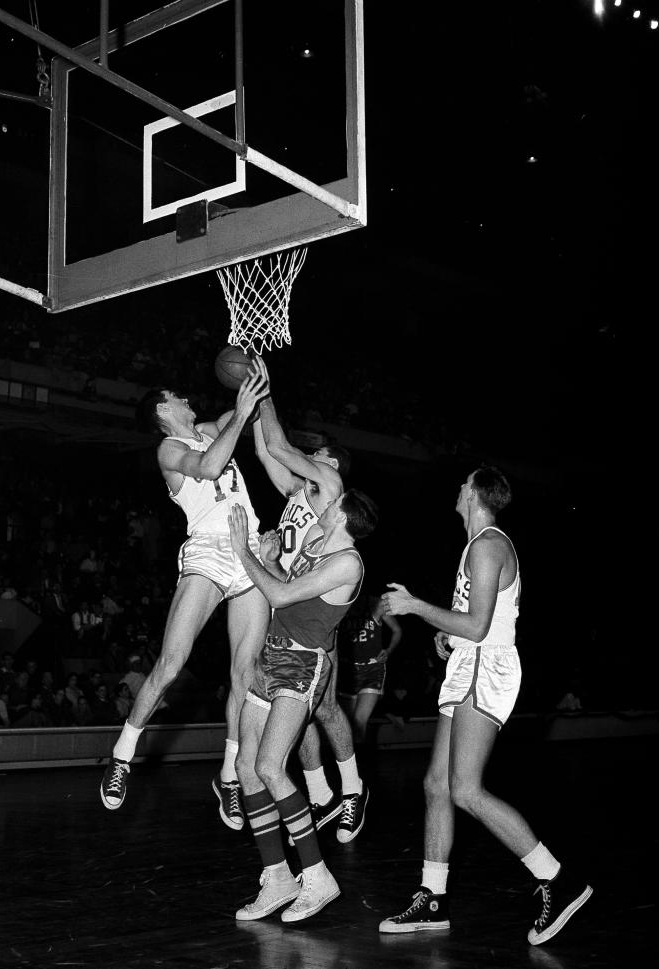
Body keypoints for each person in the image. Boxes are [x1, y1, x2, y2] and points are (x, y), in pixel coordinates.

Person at [377, 467, 591, 945]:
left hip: (485, 668)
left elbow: (477, 628)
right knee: (437, 783)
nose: (455, 488)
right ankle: (432, 898)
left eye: (461, 484)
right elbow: (472, 624)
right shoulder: (476, 545)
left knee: (465, 791)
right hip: (469, 663)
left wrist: (415, 607)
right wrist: (443, 633)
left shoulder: (489, 544)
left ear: (473, 493)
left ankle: (556, 877)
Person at [99, 365, 270, 827]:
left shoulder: (212, 427)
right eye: (177, 395)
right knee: (170, 666)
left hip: (249, 550)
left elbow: (248, 416)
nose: (188, 398)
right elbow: (211, 465)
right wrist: (241, 413)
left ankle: (229, 777)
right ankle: (122, 757)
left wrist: (255, 380)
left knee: (246, 674)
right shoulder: (170, 447)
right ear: (162, 410)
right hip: (209, 552)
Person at [228, 489, 377, 923]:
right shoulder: (314, 537)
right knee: (246, 767)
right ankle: (277, 877)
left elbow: (276, 596)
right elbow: (286, 587)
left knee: (271, 767)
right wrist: (271, 558)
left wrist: (244, 551)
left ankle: (317, 876)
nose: (325, 506)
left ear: (344, 518)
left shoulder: (348, 563)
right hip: (272, 656)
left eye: (334, 505)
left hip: (301, 666)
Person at [252, 381, 367, 842]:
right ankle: (320, 795)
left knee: (324, 707)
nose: (307, 457)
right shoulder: (299, 494)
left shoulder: (331, 489)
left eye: (316, 455)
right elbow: (266, 452)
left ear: (331, 466)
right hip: (288, 600)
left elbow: (279, 444)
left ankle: (353, 790)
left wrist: (263, 392)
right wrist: (248, 408)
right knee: (297, 711)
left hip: (314, 610)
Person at [337, 593, 403, 748]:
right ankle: (346, 764)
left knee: (360, 721)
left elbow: (397, 630)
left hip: (372, 669)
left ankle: (360, 765)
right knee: (347, 723)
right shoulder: (340, 604)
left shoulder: (377, 605)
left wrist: (388, 650)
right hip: (348, 670)